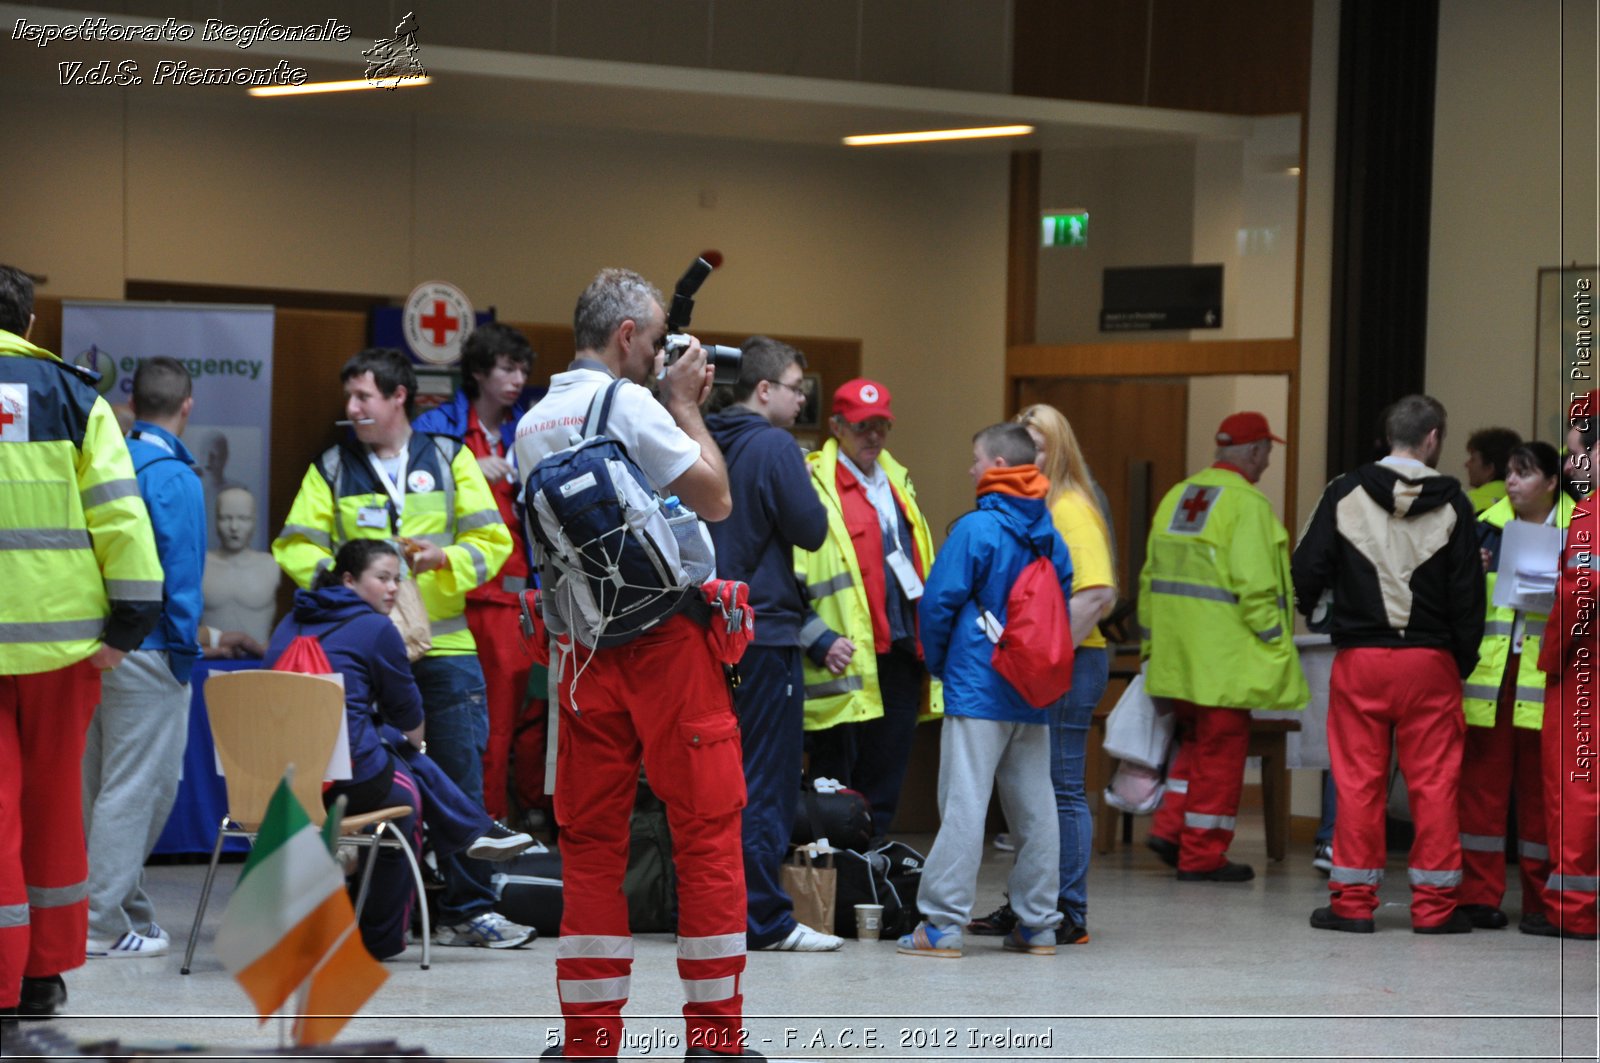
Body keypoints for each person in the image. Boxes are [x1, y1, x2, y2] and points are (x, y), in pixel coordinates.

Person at [511, 268, 753, 1061]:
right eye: (654, 341)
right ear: (626, 336)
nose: (661, 354)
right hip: (669, 650)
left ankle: (587, 1044)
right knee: (706, 832)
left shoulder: (532, 422)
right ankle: (715, 1043)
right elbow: (714, 498)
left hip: (580, 656)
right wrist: (687, 404)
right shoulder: (634, 402)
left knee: (589, 841)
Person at [272, 347, 529, 950]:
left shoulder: (448, 458)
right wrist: (345, 582)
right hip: (360, 652)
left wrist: (445, 560)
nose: (352, 408)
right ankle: (377, 908)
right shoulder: (331, 468)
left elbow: (489, 539)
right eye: (350, 398)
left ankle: (471, 907)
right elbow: (294, 547)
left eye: (364, 397)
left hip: (443, 647)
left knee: (462, 774)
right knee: (364, 780)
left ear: (397, 398)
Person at [0, 265, 163, 1022]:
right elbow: (122, 520)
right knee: (56, 801)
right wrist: (126, 627)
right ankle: (41, 975)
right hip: (64, 651)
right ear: (30, 324)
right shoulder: (73, 395)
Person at [263, 540, 535, 960]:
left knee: (393, 755)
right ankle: (380, 938)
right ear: (349, 580)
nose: (393, 588)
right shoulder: (375, 629)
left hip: (270, 778)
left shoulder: (288, 622)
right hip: (343, 779)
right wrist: (408, 742)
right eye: (382, 578)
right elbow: (409, 719)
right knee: (407, 796)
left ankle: (473, 829)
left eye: (398, 579)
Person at [1293, 394, 1485, 934]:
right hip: (1430, 662)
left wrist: (1325, 614)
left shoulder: (1343, 492)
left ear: (1389, 436)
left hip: (1361, 659)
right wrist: (1456, 662)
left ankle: (1352, 905)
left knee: (1357, 782)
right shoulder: (1455, 504)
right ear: (1432, 439)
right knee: (1436, 785)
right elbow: (1470, 600)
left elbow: (1304, 570)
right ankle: (1435, 909)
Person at [899, 423, 1072, 959]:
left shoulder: (976, 531)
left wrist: (941, 663)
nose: (970, 469)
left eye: (976, 459)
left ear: (998, 463)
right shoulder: (1050, 534)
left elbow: (938, 604)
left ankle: (942, 925)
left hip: (978, 686)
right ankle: (1039, 923)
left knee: (965, 804)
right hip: (1031, 688)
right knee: (1036, 806)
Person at [704, 337, 836, 953]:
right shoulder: (775, 446)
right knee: (766, 779)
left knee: (713, 778)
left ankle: (712, 910)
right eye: (794, 386)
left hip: (708, 632)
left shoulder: (699, 437)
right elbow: (811, 530)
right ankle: (765, 920)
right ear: (763, 390)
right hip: (766, 634)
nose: (802, 396)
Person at [1141, 412, 1307, 882]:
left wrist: (1154, 646)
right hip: (1224, 663)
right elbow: (1255, 587)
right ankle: (1202, 856)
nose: (1268, 463)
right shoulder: (1247, 505)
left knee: (1193, 746)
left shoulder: (1178, 496)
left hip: (1178, 660)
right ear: (1254, 452)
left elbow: (1150, 577)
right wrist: (1276, 643)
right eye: (1268, 453)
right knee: (1221, 757)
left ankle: (1171, 829)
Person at [80, 359, 207, 961]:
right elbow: (180, 578)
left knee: (100, 789)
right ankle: (102, 922)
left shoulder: (103, 459)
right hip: (152, 648)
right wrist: (184, 653)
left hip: (91, 646)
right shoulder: (175, 476)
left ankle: (122, 913)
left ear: (130, 402)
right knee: (138, 792)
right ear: (188, 404)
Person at [795, 378, 942, 838]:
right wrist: (816, 637)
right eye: (862, 427)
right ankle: (830, 890)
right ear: (836, 426)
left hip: (899, 653)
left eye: (880, 426)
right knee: (834, 786)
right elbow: (783, 577)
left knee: (885, 781)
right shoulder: (813, 482)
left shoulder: (897, 480)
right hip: (843, 659)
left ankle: (870, 889)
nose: (872, 437)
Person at [412, 323, 544, 823]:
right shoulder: (435, 429)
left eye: (523, 370)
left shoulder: (528, 429)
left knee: (514, 723)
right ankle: (469, 827)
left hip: (515, 599)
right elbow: (410, 492)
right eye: (507, 368)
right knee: (464, 723)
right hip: (451, 595)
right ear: (478, 371)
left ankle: (502, 821)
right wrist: (469, 465)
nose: (517, 379)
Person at [1458, 442, 1572, 932]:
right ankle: (1478, 896)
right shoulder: (1483, 527)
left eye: (1524, 473)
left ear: (1551, 481)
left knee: (1542, 801)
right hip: (1493, 682)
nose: (1511, 481)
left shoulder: (1580, 529)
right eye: (1508, 472)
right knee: (1480, 794)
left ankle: (1541, 900)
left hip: (1549, 681)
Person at [1530, 397, 1600, 939]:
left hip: (1586, 676)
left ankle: (1573, 911)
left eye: (1577, 455)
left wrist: (1550, 661)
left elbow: (1578, 596)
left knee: (1575, 791)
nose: (1572, 468)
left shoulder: (1590, 517)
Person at [200, 486, 278, 651]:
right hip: (208, 662)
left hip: (260, 665)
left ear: (254, 520)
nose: (234, 527)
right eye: (225, 518)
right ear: (215, 520)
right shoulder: (200, 565)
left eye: (243, 518)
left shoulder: (270, 565)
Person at [1464, 427, 1522, 516]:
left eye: (1472, 459)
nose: (1466, 464)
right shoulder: (1526, 503)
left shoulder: (1466, 502)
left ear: (1489, 469)